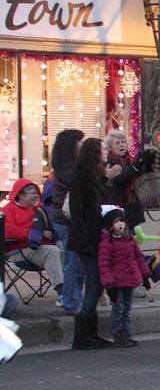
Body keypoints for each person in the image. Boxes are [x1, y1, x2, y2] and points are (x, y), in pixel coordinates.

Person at [68, 138, 113, 349]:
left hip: (95, 236)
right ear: (94, 153)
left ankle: (90, 333)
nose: (106, 152)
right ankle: (83, 335)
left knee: (96, 286)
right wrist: (84, 240)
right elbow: (77, 212)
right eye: (103, 149)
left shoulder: (95, 176)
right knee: (94, 285)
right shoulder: (80, 177)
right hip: (85, 239)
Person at [42, 129, 84, 315]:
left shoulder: (67, 167)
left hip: (68, 220)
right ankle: (70, 301)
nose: (81, 145)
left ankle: (73, 299)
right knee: (73, 262)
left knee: (75, 262)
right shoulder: (68, 169)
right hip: (67, 220)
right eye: (79, 142)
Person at [1, 179, 64, 300]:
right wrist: (36, 233)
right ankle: (62, 292)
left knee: (68, 253)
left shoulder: (41, 210)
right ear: (20, 195)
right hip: (19, 251)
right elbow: (7, 231)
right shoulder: (8, 210)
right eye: (32, 192)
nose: (36, 195)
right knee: (53, 251)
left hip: (42, 250)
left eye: (37, 192)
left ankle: (71, 292)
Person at [98, 208, 150, 347]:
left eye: (122, 221)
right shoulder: (107, 243)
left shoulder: (129, 240)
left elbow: (138, 258)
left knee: (126, 310)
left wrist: (145, 275)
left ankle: (126, 334)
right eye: (116, 222)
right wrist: (109, 285)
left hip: (129, 280)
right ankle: (118, 335)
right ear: (110, 225)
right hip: (116, 283)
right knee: (118, 310)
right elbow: (104, 265)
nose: (120, 224)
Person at [104, 129, 152, 230]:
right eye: (117, 142)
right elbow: (120, 178)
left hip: (132, 207)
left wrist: (146, 163)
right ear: (110, 147)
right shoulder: (110, 161)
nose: (122, 145)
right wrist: (137, 164)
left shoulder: (130, 159)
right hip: (118, 208)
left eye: (123, 142)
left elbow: (140, 176)